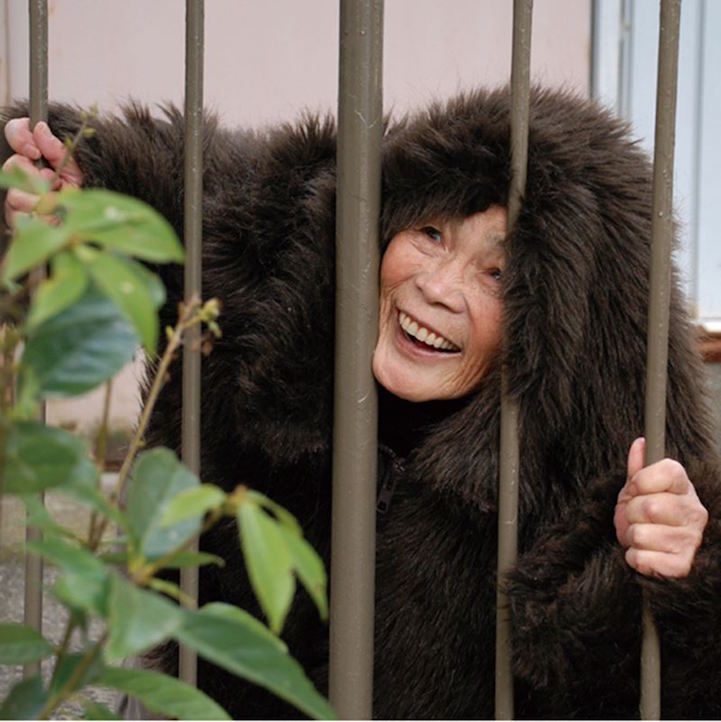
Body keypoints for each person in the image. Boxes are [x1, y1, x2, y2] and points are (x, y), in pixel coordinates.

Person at [3, 87, 720, 719]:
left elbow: (637, 689)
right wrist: (68, 181)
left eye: (498, 275)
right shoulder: (293, 252)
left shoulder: (605, 441)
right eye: (430, 233)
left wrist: (679, 574)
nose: (437, 288)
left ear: (554, 324)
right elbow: (160, 181)